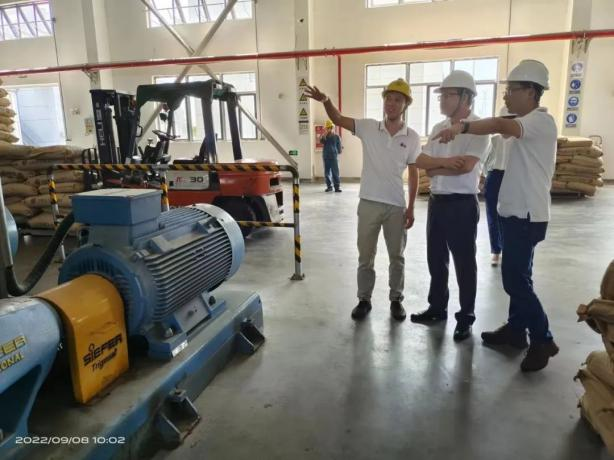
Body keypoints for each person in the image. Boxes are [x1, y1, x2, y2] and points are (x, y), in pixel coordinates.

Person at [433, 59, 559, 372]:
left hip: (527, 214)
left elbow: (501, 126)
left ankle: (543, 338)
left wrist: (462, 126)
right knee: (520, 276)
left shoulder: (540, 121)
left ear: (531, 92)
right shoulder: (523, 122)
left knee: (515, 280)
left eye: (511, 89)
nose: (505, 95)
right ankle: (516, 331)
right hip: (515, 212)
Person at [305, 79, 464, 321]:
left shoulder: (411, 137)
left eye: (397, 100)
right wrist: (325, 100)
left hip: (396, 206)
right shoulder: (368, 127)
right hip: (368, 203)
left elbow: (413, 172)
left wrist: (411, 207)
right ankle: (364, 299)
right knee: (365, 256)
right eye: (388, 98)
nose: (391, 103)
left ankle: (396, 299)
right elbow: (337, 119)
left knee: (397, 257)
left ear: (405, 105)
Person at [409, 70, 491, 342]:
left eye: (448, 95)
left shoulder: (479, 129)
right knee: (436, 259)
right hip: (437, 202)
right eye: (441, 95)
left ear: (466, 97)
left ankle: (466, 317)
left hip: (461, 204)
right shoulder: (437, 128)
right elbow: (423, 164)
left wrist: (437, 167)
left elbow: (466, 167)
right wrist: (445, 163)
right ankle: (437, 308)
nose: (442, 100)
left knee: (464, 263)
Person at [483, 108, 514, 267]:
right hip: (495, 176)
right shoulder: (494, 139)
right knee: (492, 214)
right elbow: (485, 159)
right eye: (504, 119)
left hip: (513, 177)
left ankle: (509, 250)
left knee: (511, 215)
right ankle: (496, 250)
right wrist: (485, 175)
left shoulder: (520, 139)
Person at [320, 119, 342, 192]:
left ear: (332, 128)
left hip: (333, 157)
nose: (328, 129)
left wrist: (338, 151)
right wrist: (324, 136)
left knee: (335, 172)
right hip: (326, 156)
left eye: (329, 128)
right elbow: (321, 141)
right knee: (327, 172)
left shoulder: (336, 136)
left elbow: (339, 147)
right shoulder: (324, 136)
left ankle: (337, 187)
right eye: (327, 128)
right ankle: (329, 186)